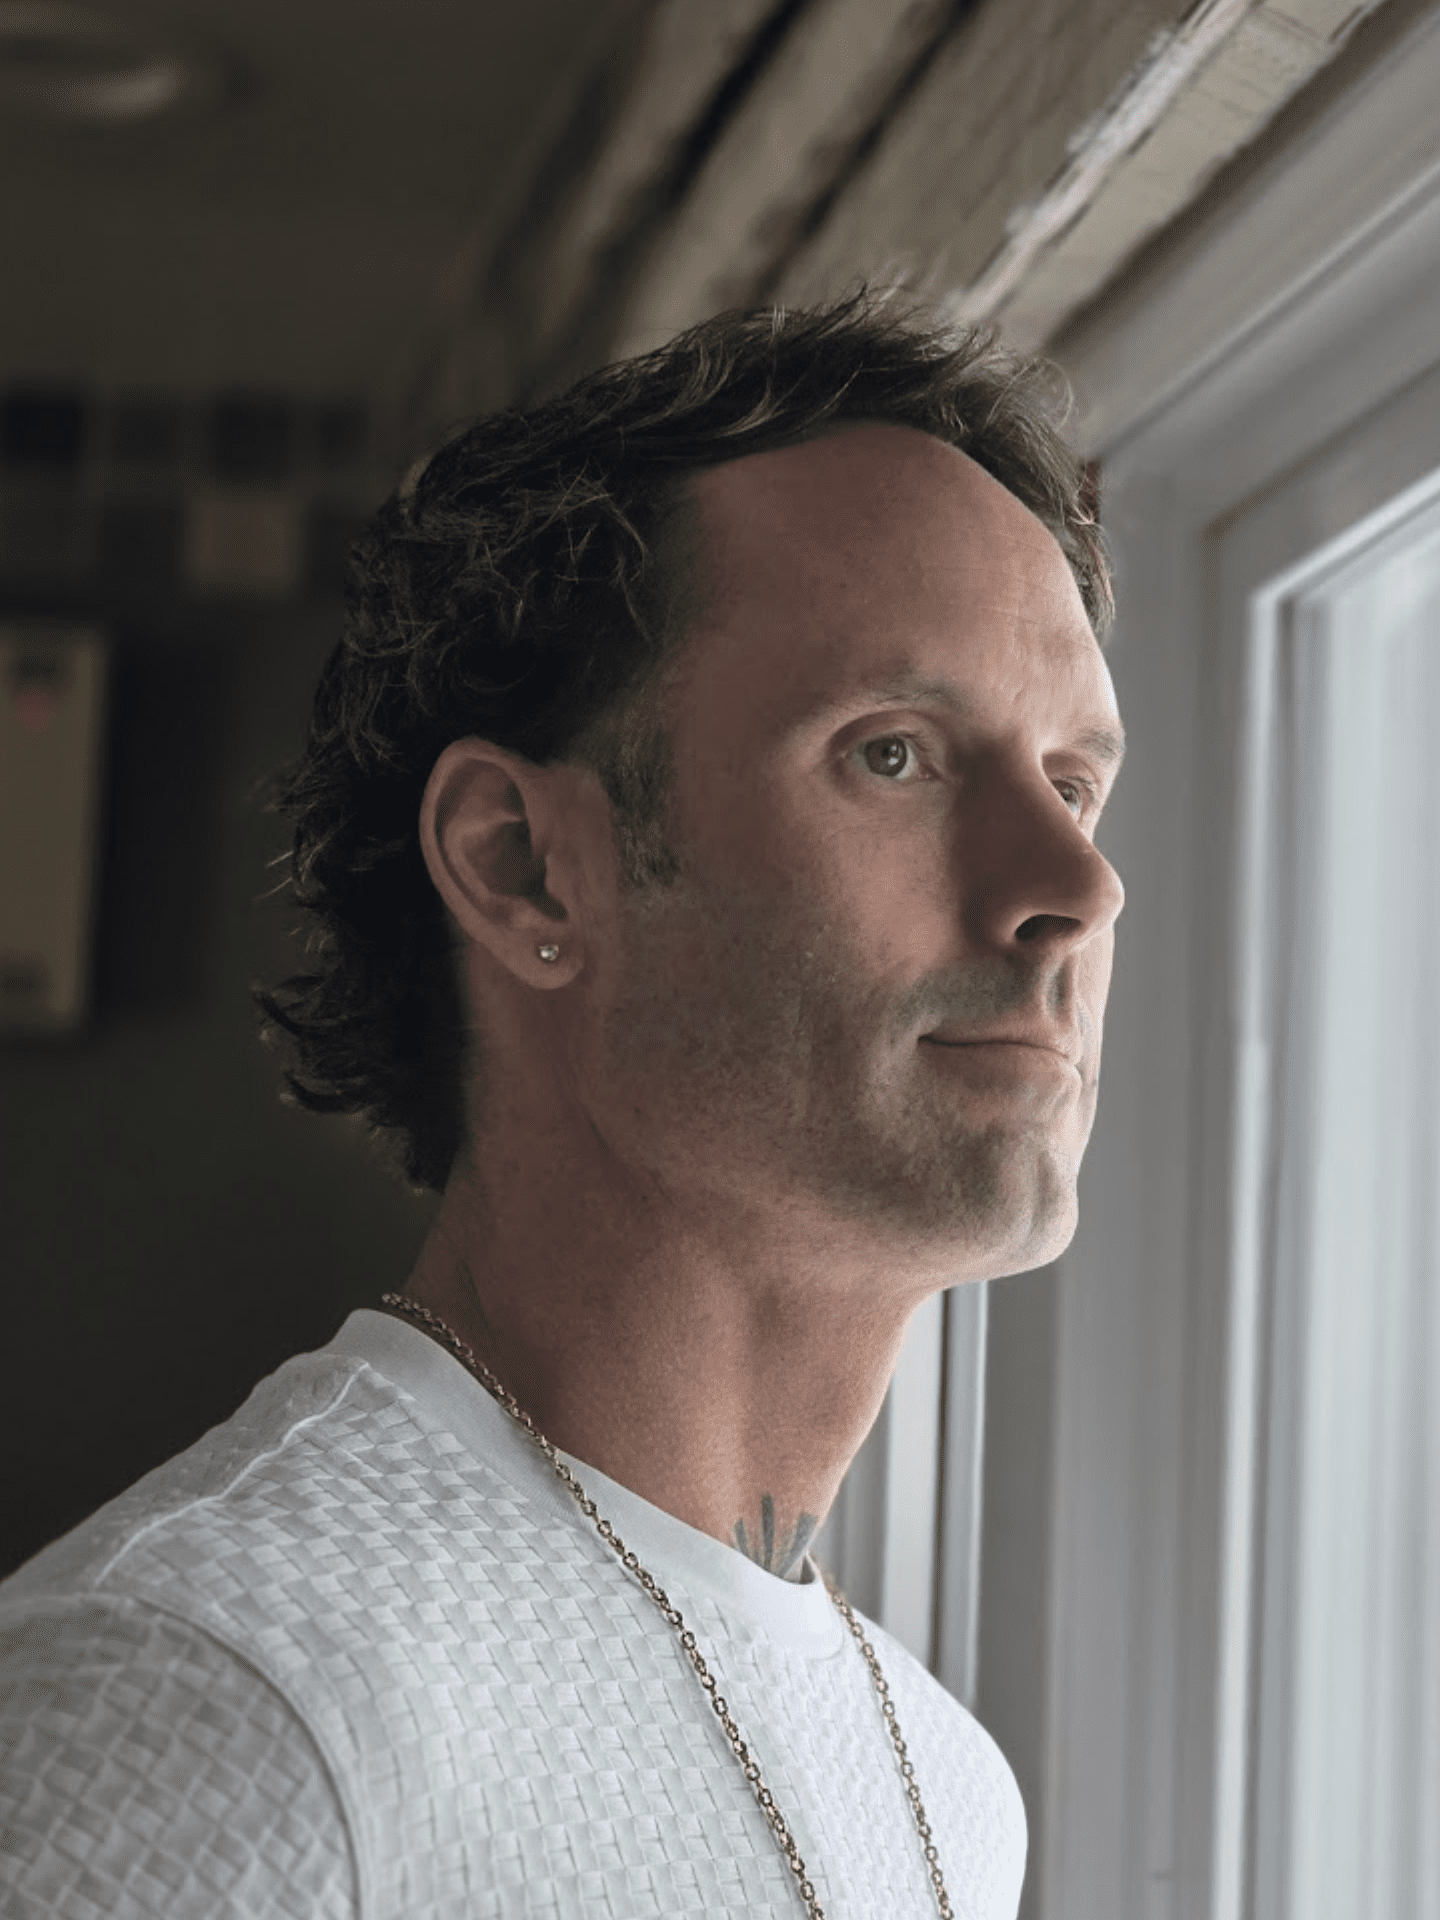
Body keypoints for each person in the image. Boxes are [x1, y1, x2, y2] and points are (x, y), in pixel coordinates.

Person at [0, 294, 1124, 1918]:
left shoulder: (948, 1790)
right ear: (526, 864)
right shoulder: (212, 1707)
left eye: (1075, 779)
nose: (1073, 884)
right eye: (894, 755)